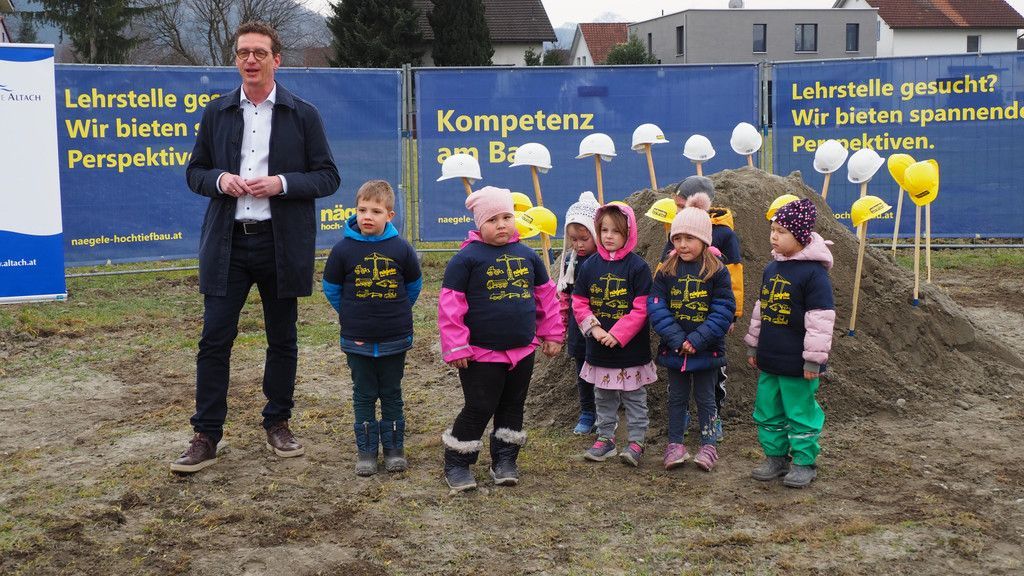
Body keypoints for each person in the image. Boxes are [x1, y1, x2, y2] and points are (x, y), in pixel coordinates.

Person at [172, 21, 341, 473]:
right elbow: (194, 172)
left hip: (280, 245)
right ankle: (207, 434)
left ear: (276, 60)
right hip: (227, 244)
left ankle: (278, 423)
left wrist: (281, 183)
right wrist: (219, 180)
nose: (250, 60)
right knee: (214, 339)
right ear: (236, 60)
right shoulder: (217, 112)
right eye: (243, 52)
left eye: (259, 53)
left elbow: (328, 177)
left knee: (282, 339)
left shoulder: (303, 114)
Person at [438, 186, 564, 492]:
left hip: (522, 350)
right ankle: (458, 462)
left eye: (507, 217)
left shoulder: (528, 256)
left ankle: (505, 459)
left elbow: (546, 297)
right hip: (481, 353)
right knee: (480, 406)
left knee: (513, 405)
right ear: (479, 223)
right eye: (492, 219)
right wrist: (456, 346)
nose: (502, 225)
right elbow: (451, 306)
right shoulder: (465, 260)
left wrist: (552, 333)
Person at [322, 180, 421, 476]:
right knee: (363, 393)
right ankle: (366, 452)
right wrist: (352, 313)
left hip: (394, 338)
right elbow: (332, 288)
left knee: (391, 392)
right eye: (362, 209)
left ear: (389, 215)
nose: (367, 216)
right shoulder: (342, 250)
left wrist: (393, 312)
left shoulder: (401, 249)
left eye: (376, 211)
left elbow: (413, 286)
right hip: (358, 340)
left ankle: (394, 450)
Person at [744, 198, 835, 488]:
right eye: (773, 230)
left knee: (800, 412)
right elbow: (761, 309)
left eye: (781, 231)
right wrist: (754, 345)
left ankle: (804, 461)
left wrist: (814, 360)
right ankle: (775, 457)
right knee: (767, 409)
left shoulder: (814, 274)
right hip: (770, 358)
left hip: (798, 363)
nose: (774, 236)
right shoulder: (771, 269)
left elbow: (820, 320)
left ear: (800, 235)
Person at [648, 193, 735, 472]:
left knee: (706, 398)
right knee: (676, 398)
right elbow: (657, 305)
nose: (682, 244)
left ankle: (709, 445)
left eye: (689, 238)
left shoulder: (717, 271)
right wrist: (677, 339)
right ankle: (675, 444)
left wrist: (697, 339)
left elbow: (723, 309)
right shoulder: (666, 270)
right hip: (675, 348)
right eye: (677, 238)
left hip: (706, 349)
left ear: (704, 240)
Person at [573, 203, 656, 467]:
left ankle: (637, 441)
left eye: (616, 231)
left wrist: (618, 334)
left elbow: (641, 308)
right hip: (599, 348)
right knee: (603, 396)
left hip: (630, 350)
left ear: (628, 233)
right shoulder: (589, 266)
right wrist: (594, 328)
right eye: (604, 230)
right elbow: (579, 301)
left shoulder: (638, 267)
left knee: (634, 397)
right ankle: (605, 438)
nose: (609, 236)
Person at [670, 176, 744, 441]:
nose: (680, 212)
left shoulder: (723, 234)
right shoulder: (677, 234)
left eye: (683, 205)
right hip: (680, 318)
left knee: (713, 374)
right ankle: (681, 415)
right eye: (678, 207)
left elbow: (734, 275)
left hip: (711, 320)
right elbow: (663, 270)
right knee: (677, 373)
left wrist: (733, 314)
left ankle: (715, 415)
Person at [555, 191, 601, 435]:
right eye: (573, 239)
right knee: (582, 368)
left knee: (603, 368)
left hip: (602, 323)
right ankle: (587, 411)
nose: (578, 245)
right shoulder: (570, 262)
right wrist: (561, 326)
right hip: (578, 326)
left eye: (584, 238)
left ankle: (605, 413)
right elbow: (564, 296)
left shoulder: (605, 261)